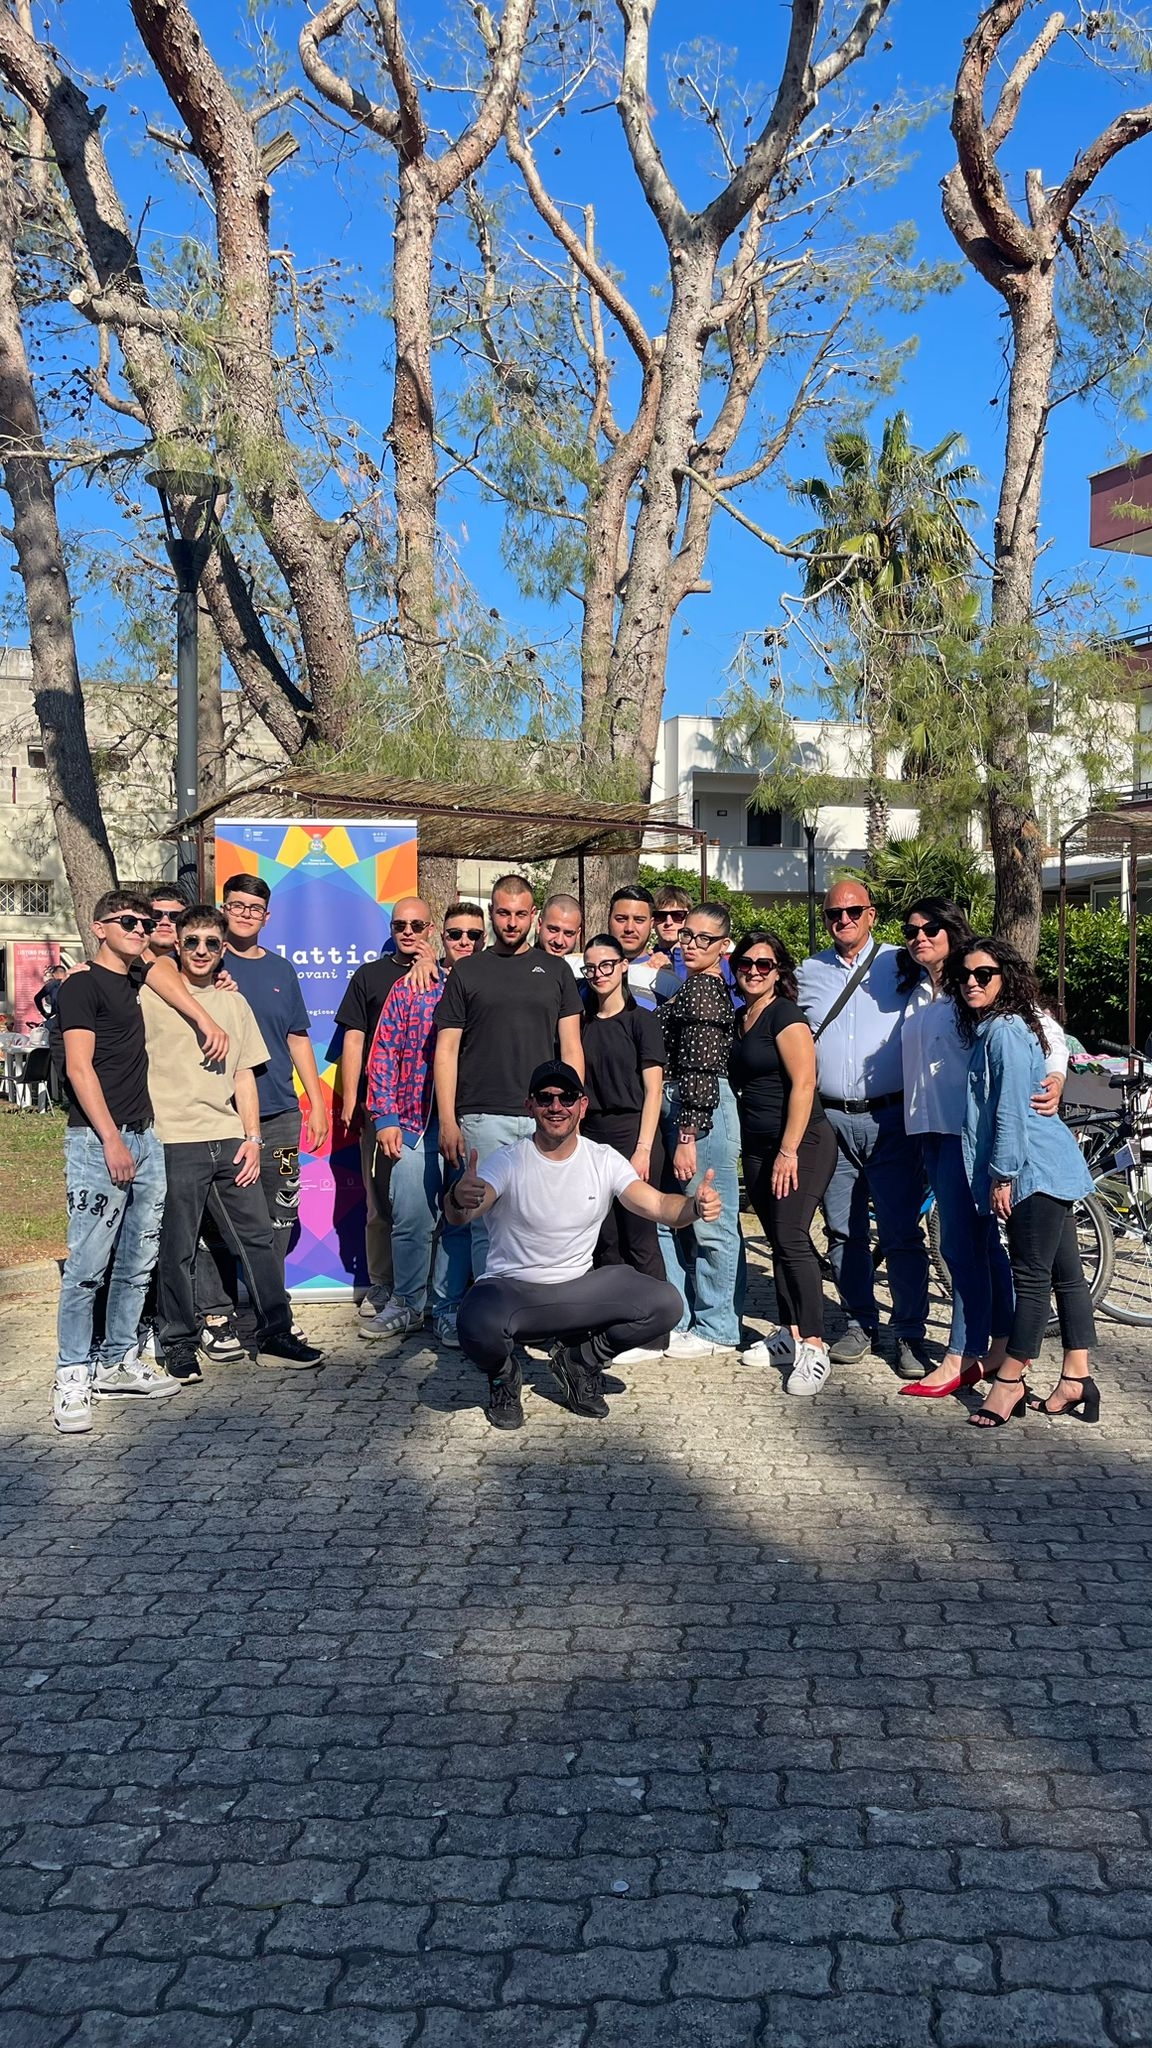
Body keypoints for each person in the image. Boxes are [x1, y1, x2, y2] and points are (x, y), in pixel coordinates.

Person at [451, 1059, 714, 1430]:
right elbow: (467, 1211)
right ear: (530, 1106)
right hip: (514, 1291)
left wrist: (693, 1207)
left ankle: (579, 1362)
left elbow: (657, 1204)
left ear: (582, 1105)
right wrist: (459, 1200)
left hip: (579, 1289)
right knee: (474, 1322)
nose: (556, 1107)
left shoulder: (602, 1159)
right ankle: (503, 1378)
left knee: (666, 1303)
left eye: (567, 1097)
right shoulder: (508, 1161)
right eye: (545, 1098)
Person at [143, 905, 323, 1380]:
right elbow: (143, 960)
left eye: (210, 942)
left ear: (224, 949)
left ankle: (275, 1334)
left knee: (259, 1239)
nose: (201, 950)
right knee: (178, 1248)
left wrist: (253, 1137)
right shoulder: (152, 992)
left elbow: (245, 1074)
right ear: (176, 944)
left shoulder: (235, 1001)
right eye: (191, 942)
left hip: (229, 1139)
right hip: (174, 1139)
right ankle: (178, 1340)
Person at [897, 898, 1068, 1398]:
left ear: (953, 931)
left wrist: (1055, 1074)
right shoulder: (913, 989)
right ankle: (1000, 1341)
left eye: (932, 928)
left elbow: (1046, 1030)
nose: (920, 936)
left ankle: (961, 1354)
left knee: (960, 1246)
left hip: (964, 1136)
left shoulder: (975, 980)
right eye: (912, 930)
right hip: (926, 1130)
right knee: (981, 1245)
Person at [950, 939, 1098, 1428]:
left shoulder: (1006, 1032)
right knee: (1066, 1275)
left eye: (984, 974)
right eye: (965, 975)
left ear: (1005, 978)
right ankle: (1078, 1377)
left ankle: (1010, 1380)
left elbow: (1010, 1109)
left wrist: (1003, 1175)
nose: (972, 982)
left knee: (1030, 1277)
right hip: (1052, 1166)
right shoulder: (1004, 1026)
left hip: (1032, 1169)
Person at [51, 891, 184, 1435]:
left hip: (145, 1138)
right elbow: (80, 1068)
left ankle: (118, 1360)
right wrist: (110, 1139)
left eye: (146, 922)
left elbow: (173, 977)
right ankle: (71, 1373)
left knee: (138, 1259)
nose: (139, 928)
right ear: (98, 927)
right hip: (97, 1142)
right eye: (128, 921)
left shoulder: (132, 980)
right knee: (86, 1266)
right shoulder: (81, 986)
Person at [796, 878, 930, 1377]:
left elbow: (966, 985)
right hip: (830, 1120)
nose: (844, 921)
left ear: (871, 914)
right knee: (842, 1230)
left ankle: (910, 1334)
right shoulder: (809, 972)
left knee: (901, 1232)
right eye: (834, 914)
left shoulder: (903, 963)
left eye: (853, 912)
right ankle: (858, 1321)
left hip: (891, 1119)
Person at [434, 874, 584, 1275]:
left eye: (520, 914)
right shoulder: (467, 972)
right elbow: (445, 1049)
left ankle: (537, 1315)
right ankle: (488, 1321)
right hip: (482, 1115)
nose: (512, 922)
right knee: (483, 1226)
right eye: (503, 913)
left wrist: (574, 1114)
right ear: (492, 914)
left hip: (544, 1115)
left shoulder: (556, 971)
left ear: (533, 915)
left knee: (546, 1223)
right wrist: (448, 1120)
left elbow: (571, 1048)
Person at [362, 903, 486, 1348]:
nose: (465, 943)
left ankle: (448, 1308)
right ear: (442, 938)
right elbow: (383, 1054)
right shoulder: (412, 988)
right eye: (456, 935)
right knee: (411, 1217)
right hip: (415, 1121)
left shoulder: (492, 986)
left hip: (472, 1123)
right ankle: (408, 1302)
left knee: (460, 1220)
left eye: (474, 935)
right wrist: (385, 1117)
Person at [730, 929, 838, 1396]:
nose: (754, 971)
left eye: (765, 964)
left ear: (779, 972)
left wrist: (789, 1150)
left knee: (794, 1238)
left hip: (802, 1143)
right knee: (776, 1239)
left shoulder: (786, 1016)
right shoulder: (742, 1017)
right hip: (756, 1146)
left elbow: (804, 1084)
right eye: (746, 964)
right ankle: (789, 1335)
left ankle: (815, 1346)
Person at [335, 896, 439, 1319]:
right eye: (401, 926)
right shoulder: (371, 976)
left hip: (434, 1112)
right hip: (383, 1111)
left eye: (417, 925)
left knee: (431, 1207)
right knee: (382, 1204)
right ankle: (382, 1284)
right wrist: (351, 1097)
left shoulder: (447, 977)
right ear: (391, 929)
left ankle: (430, 1288)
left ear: (430, 929)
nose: (409, 932)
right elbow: (356, 1038)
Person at [657, 900, 744, 1357]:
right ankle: (704, 1318)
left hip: (701, 1111)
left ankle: (718, 1327)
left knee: (712, 1220)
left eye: (703, 939)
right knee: (697, 1217)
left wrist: (688, 1134)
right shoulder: (691, 986)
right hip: (694, 1108)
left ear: (723, 946)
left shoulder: (705, 992)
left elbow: (701, 1069)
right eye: (687, 936)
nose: (690, 944)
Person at [579, 935, 668, 1337]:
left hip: (633, 1131)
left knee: (640, 1236)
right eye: (591, 967)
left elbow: (654, 1090)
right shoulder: (579, 1023)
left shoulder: (641, 1020)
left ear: (623, 966)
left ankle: (656, 1327)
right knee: (605, 1237)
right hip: (592, 1134)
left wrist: (644, 1148)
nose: (599, 974)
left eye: (607, 965)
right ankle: (613, 1324)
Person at [607, 885, 664, 1010]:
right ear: (608, 920)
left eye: (639, 920)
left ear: (651, 924)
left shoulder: (665, 981)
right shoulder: (579, 970)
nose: (629, 928)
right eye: (621, 919)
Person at [536, 894, 583, 967]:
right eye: (553, 930)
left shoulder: (585, 974)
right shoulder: (519, 968)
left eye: (568, 933)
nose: (559, 941)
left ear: (578, 934)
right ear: (539, 925)